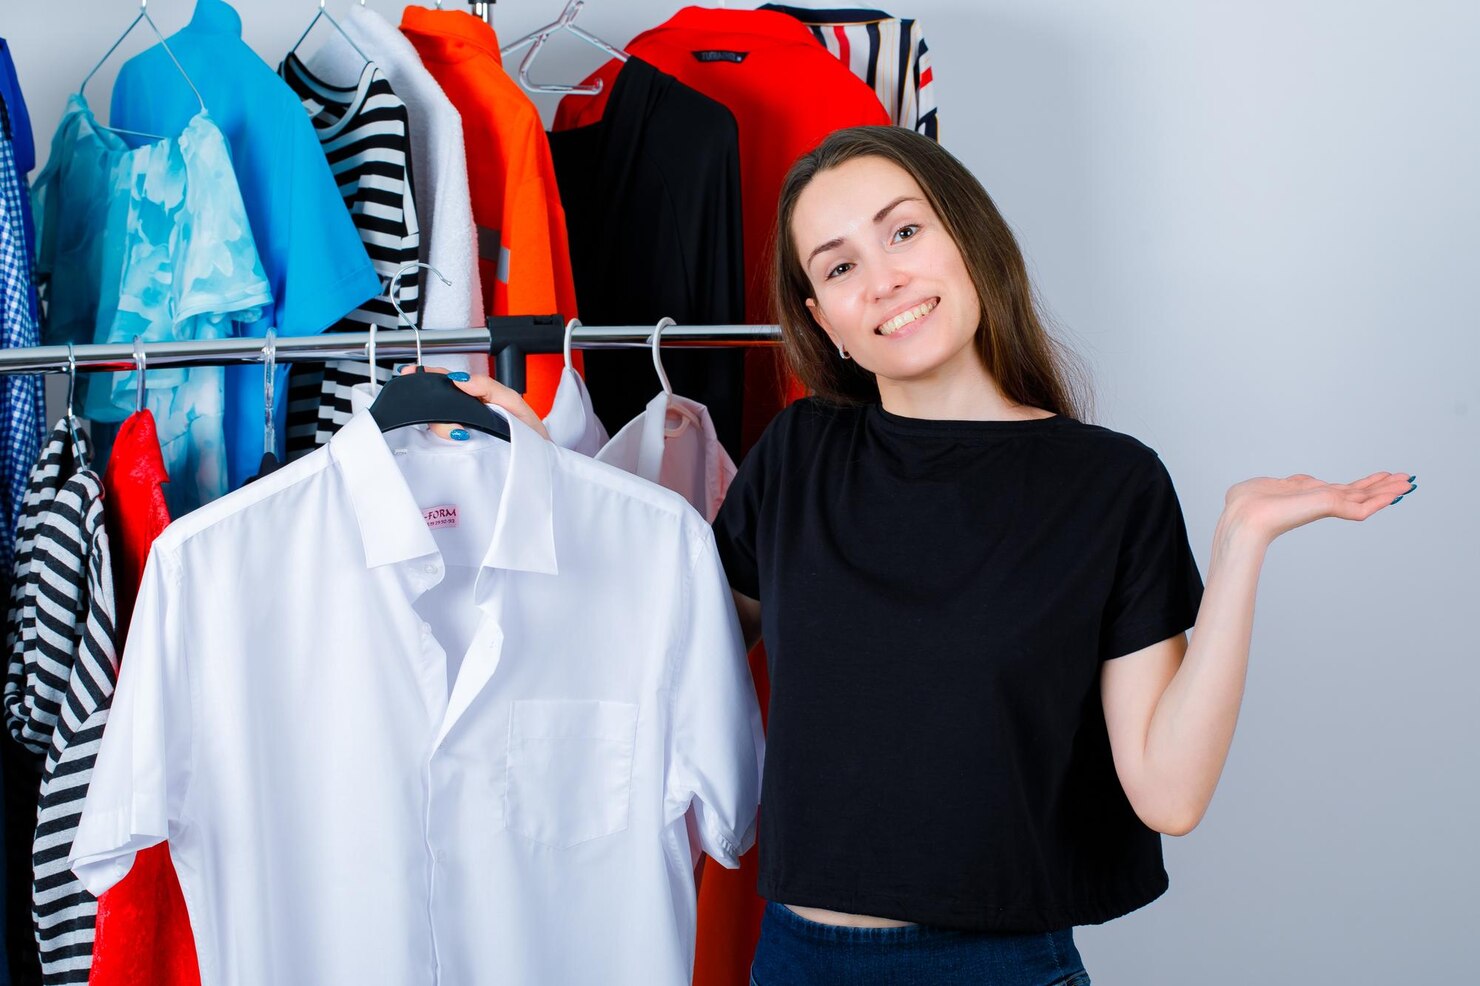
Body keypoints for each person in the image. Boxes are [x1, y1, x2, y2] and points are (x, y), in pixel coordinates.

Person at [426, 125, 1415, 985]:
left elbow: (1168, 790)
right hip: (796, 958)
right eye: (839, 264)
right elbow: (656, 645)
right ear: (824, 319)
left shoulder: (1108, 486)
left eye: (903, 230)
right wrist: (547, 476)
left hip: (995, 966)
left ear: (967, 242)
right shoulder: (801, 453)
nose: (884, 276)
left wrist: (1240, 542)